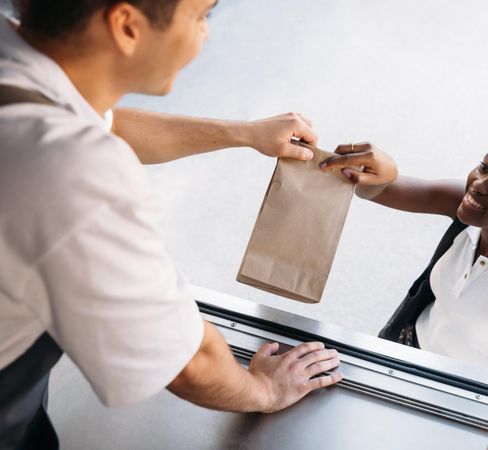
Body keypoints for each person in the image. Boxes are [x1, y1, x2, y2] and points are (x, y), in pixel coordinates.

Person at [0, 1, 342, 448]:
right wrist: (266, 388)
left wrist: (241, 133)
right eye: (201, 16)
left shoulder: (18, 59)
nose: (206, 35)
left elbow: (99, 122)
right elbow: (186, 361)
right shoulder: (76, 173)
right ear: (125, 26)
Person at [319, 126, 488, 377]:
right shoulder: (466, 205)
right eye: (485, 166)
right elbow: (379, 191)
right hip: (399, 347)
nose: (479, 184)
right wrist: (380, 172)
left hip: (458, 390)